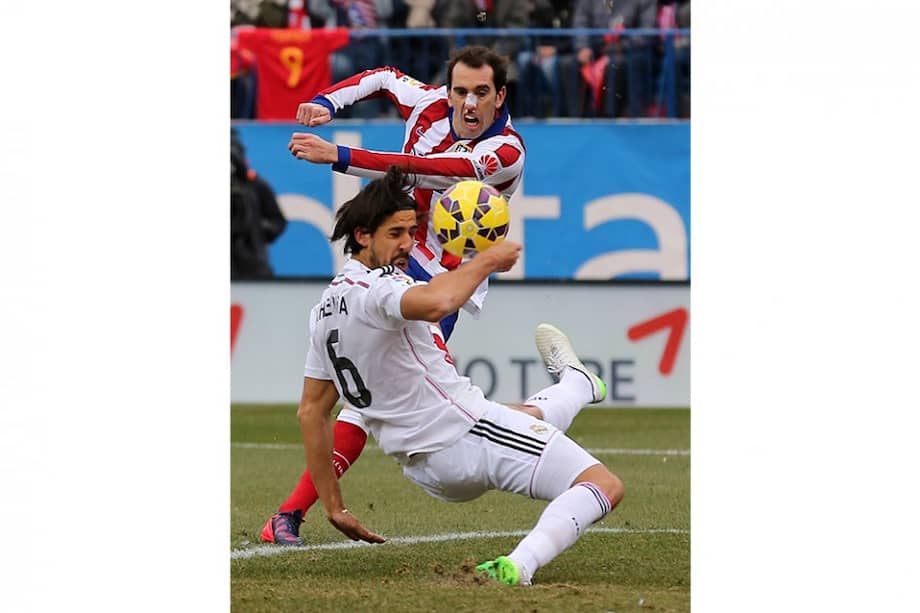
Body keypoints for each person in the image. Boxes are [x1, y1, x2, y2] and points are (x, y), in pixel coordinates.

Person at [297, 167, 624, 585]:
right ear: (362, 236)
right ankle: (519, 566)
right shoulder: (377, 288)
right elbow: (439, 302)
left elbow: (311, 412)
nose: (407, 244)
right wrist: (486, 259)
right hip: (464, 435)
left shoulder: (323, 311)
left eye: (411, 232)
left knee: (524, 418)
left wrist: (334, 506)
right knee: (603, 484)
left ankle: (577, 384)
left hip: (425, 469)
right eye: (395, 233)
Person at [261, 45, 528, 545]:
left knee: (374, 401)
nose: (469, 103)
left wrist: (339, 155)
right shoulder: (428, 103)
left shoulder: (505, 152)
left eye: (482, 93)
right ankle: (288, 516)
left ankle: (289, 515)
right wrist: (327, 101)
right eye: (461, 91)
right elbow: (383, 77)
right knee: (342, 395)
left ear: (500, 96)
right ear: (448, 90)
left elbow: (427, 170)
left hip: (441, 280)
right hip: (390, 261)